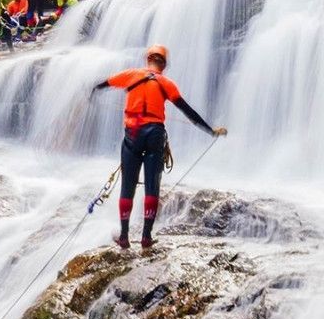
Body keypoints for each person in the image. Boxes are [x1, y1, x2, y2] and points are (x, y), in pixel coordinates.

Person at [90, 45, 226, 249]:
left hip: (132, 135)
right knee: (152, 185)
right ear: (164, 64)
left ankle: (124, 236)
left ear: (148, 60)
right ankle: (146, 236)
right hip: (154, 135)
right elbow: (188, 112)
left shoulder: (131, 75)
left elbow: (105, 83)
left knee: (128, 185)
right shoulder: (167, 84)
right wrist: (210, 130)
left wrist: (93, 91)